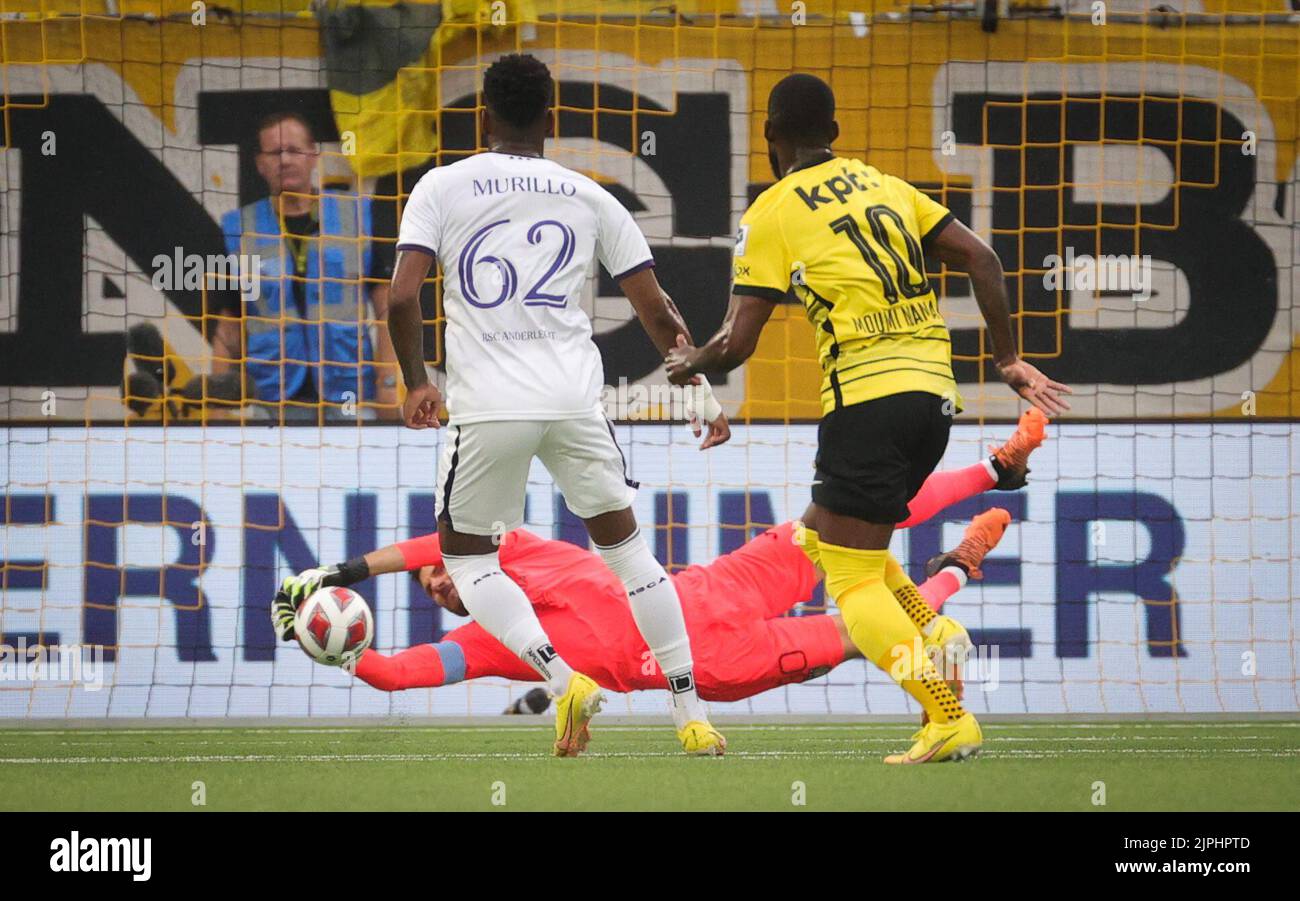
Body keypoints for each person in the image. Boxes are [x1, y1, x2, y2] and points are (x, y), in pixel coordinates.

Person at [665, 73, 1072, 764]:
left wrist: (686, 361)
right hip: (935, 397)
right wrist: (1006, 359)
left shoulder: (773, 209)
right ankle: (933, 633)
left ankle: (947, 715)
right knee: (823, 537)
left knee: (850, 583)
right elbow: (983, 257)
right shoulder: (884, 184)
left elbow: (735, 345)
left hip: (868, 399)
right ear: (836, 134)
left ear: (770, 136)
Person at [272, 415, 1047, 748]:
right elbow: (406, 672)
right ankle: (953, 574)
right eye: (434, 586)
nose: (440, 581)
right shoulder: (492, 640)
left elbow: (427, 543)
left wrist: (343, 571)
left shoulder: (518, 556)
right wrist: (340, 655)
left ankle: (994, 470)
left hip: (712, 589)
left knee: (838, 518)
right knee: (858, 635)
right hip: (719, 663)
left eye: (444, 570)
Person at [380, 54, 730, 756]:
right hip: (574, 398)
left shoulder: (440, 186)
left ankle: (563, 677)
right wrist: (702, 388)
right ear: (552, 118)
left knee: (471, 559)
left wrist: (420, 381)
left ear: (482, 115)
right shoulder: (589, 194)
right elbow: (658, 310)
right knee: (631, 556)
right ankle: (691, 713)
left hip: (488, 405)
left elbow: (399, 295)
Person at [217, 111, 399, 423]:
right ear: (260, 163)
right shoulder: (239, 228)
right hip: (272, 399)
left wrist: (389, 386)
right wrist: (217, 403)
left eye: (294, 150)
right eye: (274, 152)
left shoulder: (357, 217)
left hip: (349, 395)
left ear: (314, 155)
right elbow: (228, 325)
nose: (285, 160)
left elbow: (387, 311)